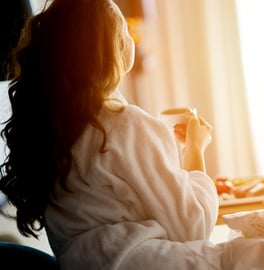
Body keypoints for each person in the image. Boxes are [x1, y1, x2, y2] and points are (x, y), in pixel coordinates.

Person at [0, 0, 220, 268]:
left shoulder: (49, 135)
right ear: (107, 49)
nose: (131, 38)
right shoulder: (125, 125)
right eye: (123, 30)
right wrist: (196, 149)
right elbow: (194, 228)